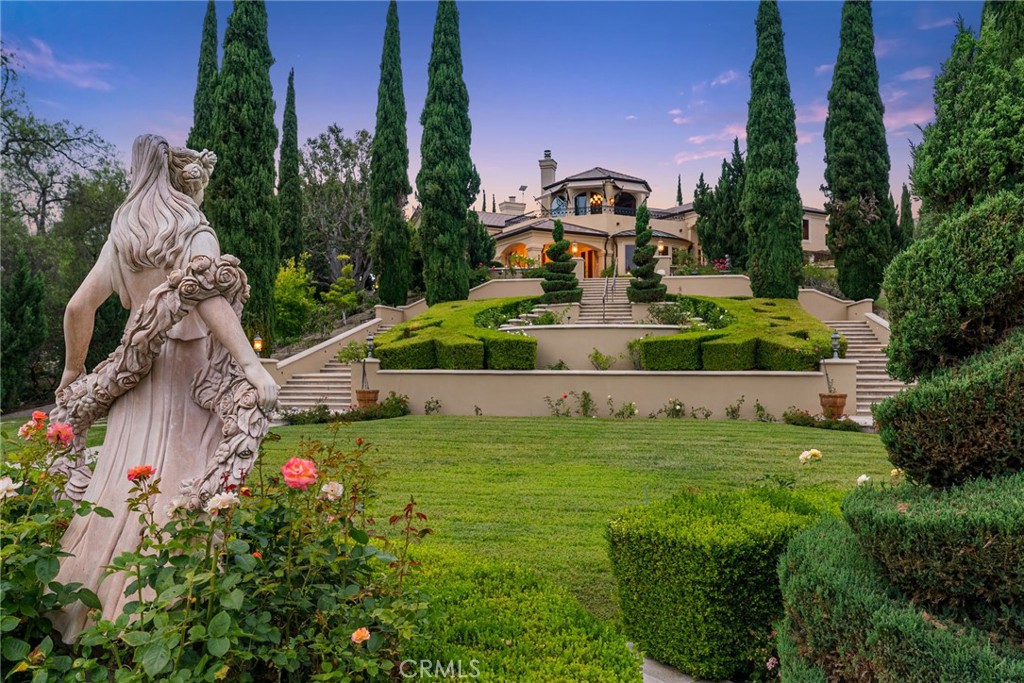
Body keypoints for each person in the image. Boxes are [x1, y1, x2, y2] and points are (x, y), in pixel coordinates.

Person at [49, 134, 277, 642]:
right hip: (188, 375)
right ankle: (165, 615)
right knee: (177, 486)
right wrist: (251, 364)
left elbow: (78, 308)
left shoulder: (123, 237)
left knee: (120, 486)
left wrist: (72, 370)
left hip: (134, 373)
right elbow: (208, 298)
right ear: (184, 179)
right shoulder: (192, 230)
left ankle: (85, 612)